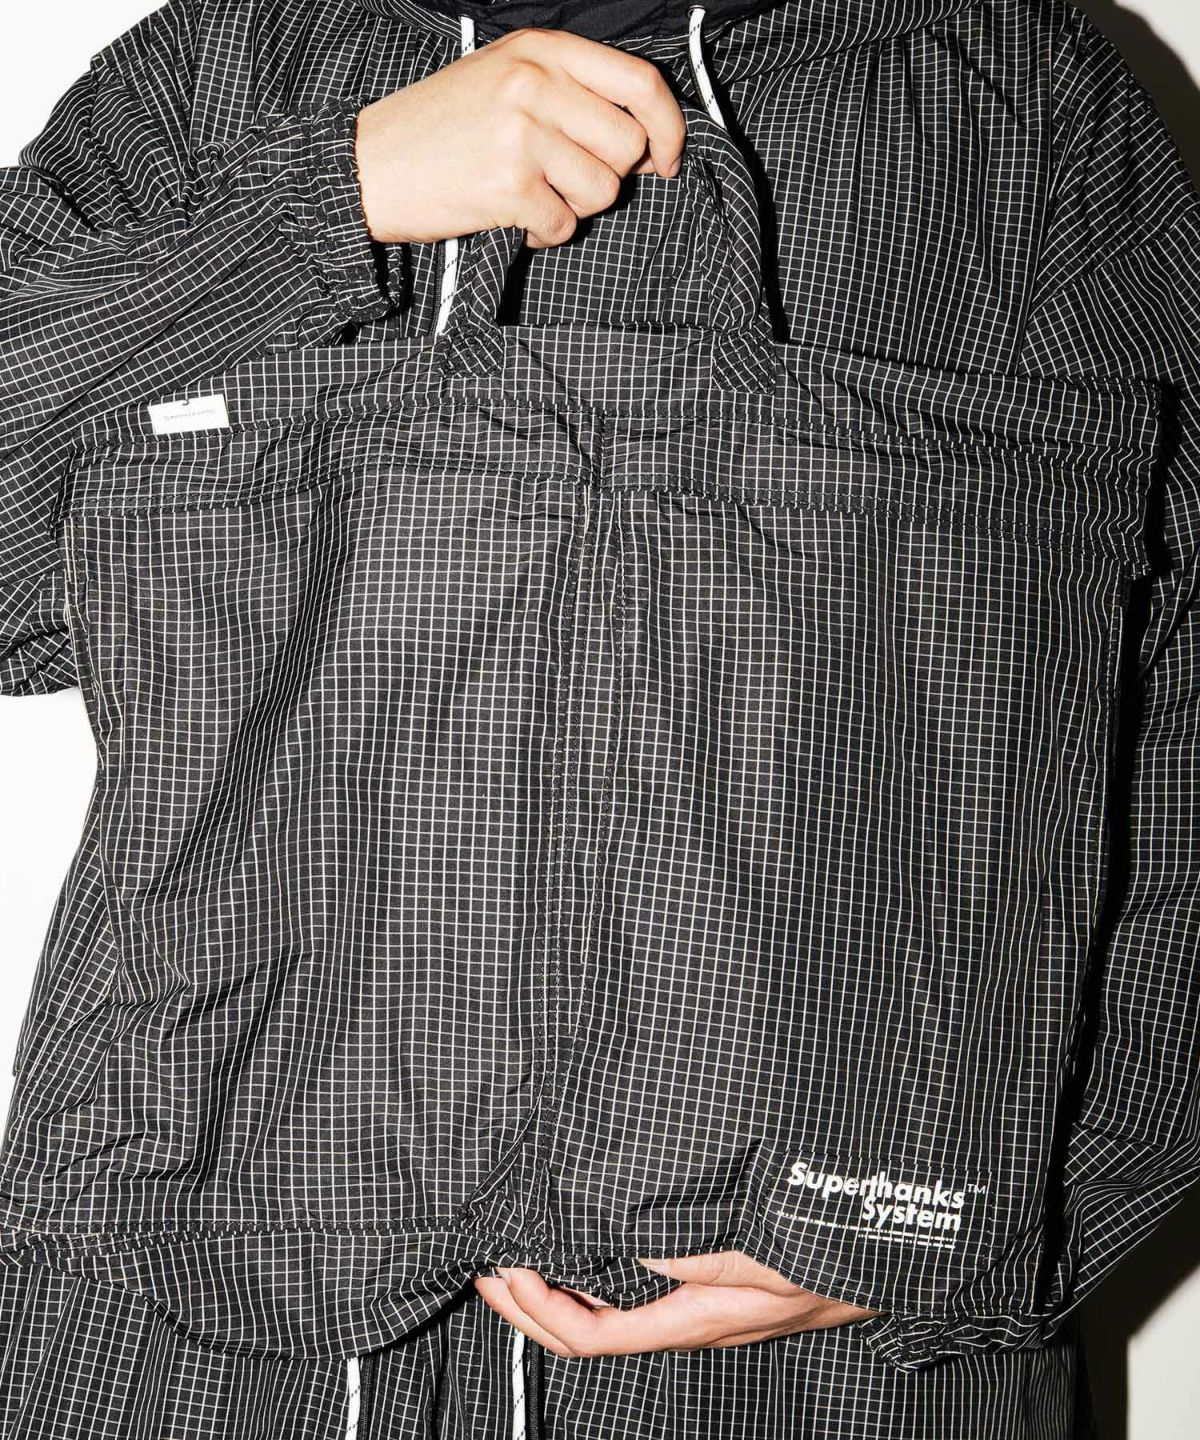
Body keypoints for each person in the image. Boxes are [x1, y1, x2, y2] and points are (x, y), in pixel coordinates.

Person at [0, 0, 1196, 1436]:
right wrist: (324, 202)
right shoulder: (221, 79)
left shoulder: (1014, 104)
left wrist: (990, 1218)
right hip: (201, 1292)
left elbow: (1177, 709)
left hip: (814, 1351)